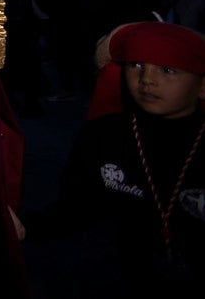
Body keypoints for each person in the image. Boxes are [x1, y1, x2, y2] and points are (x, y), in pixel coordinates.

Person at [22, 21, 205, 292]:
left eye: (167, 70)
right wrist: (24, 226)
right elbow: (77, 207)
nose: (147, 80)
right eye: (136, 65)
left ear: (202, 86)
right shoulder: (103, 135)